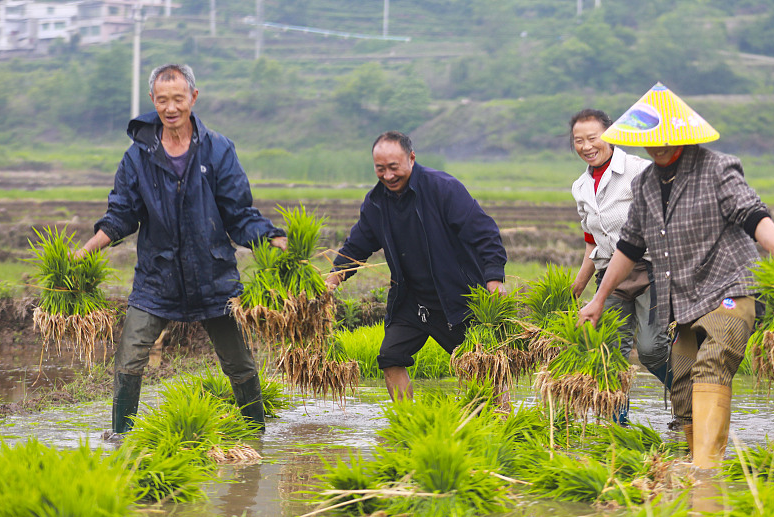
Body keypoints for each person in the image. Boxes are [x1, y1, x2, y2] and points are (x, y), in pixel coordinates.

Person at [579, 83, 774, 469]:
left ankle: (705, 471)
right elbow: (628, 248)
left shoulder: (717, 168)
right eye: (649, 139)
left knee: (711, 364)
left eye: (664, 137)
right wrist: (598, 298)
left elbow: (754, 215)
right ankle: (694, 465)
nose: (657, 146)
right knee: (682, 385)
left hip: (730, 290)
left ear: (682, 134)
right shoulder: (646, 184)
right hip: (683, 301)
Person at [76, 63, 287, 439]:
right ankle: (121, 437)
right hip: (157, 278)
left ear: (193, 97)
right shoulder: (137, 157)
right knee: (130, 357)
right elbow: (123, 213)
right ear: (153, 102)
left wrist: (273, 238)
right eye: (162, 100)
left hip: (213, 275)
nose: (170, 107)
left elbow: (238, 214)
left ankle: (257, 434)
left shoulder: (218, 149)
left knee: (238, 361)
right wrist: (89, 248)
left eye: (178, 98)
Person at [325, 131, 507, 401]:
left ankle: (501, 423)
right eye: (380, 169)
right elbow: (357, 247)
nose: (388, 176)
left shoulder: (443, 188)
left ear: (411, 158)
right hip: (411, 301)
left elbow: (484, 233)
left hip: (457, 299)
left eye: (393, 167)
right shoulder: (376, 203)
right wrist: (332, 279)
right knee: (390, 357)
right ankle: (405, 422)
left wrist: (493, 279)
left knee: (480, 365)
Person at [568, 109, 672, 425]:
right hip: (609, 277)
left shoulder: (638, 171)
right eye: (578, 140)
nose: (586, 146)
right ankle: (618, 423)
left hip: (649, 270)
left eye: (592, 137)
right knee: (610, 355)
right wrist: (577, 285)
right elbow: (592, 242)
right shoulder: (580, 187)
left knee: (652, 348)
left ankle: (693, 397)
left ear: (611, 134)